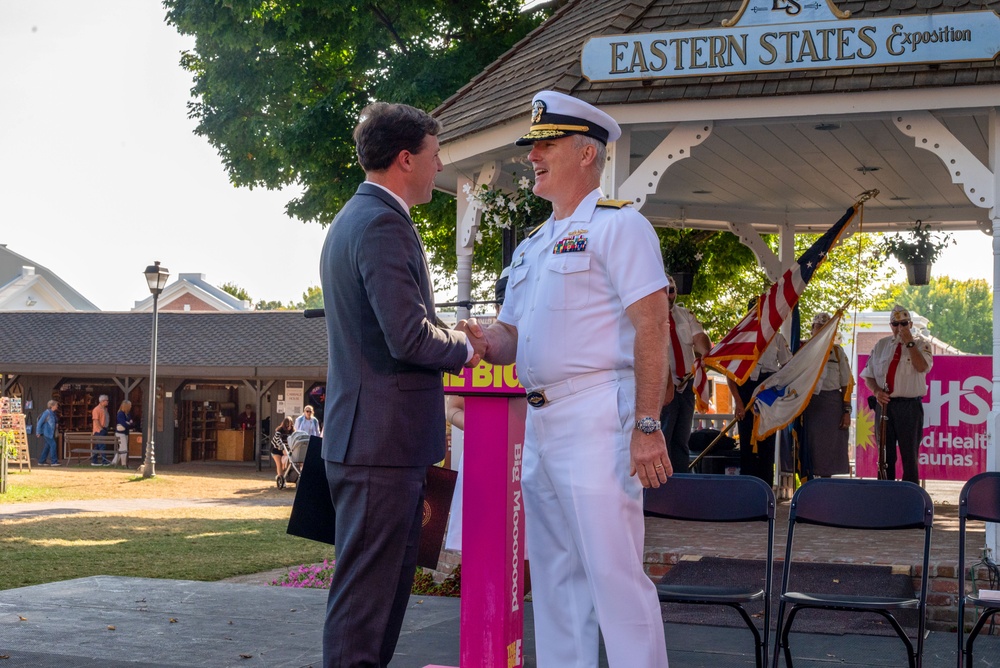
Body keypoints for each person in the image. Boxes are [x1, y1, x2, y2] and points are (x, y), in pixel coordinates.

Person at [477, 90, 671, 668]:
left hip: (597, 416)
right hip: (540, 422)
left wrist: (647, 425)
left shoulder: (621, 227)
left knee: (615, 578)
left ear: (587, 153)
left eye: (547, 144)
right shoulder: (533, 246)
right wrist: (478, 340)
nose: (532, 156)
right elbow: (510, 338)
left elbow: (653, 325)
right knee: (556, 582)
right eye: (532, 146)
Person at [318, 101, 484, 668]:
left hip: (374, 442)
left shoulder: (356, 218)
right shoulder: (382, 224)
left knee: (378, 598)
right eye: (435, 154)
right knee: (366, 605)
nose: (440, 166)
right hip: (380, 446)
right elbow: (408, 337)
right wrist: (465, 348)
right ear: (406, 159)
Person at [861, 305, 933, 483]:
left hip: (909, 406)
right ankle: (885, 493)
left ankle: (909, 494)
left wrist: (909, 343)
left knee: (910, 456)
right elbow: (868, 375)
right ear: (890, 325)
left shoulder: (921, 343)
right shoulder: (881, 345)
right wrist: (876, 391)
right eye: (895, 324)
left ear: (910, 324)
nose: (900, 328)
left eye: (904, 323)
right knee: (885, 456)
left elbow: (922, 367)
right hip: (885, 405)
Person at [728, 300, 792, 485]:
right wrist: (738, 402)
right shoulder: (740, 338)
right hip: (746, 389)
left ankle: (766, 488)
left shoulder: (777, 338)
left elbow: (788, 367)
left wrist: (778, 388)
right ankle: (748, 488)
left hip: (768, 389)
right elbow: (730, 374)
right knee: (747, 442)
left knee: (767, 442)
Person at [660, 274, 712, 474]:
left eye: (671, 290)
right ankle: (662, 484)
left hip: (686, 385)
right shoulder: (648, 316)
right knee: (663, 437)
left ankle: (681, 481)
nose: (668, 295)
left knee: (682, 440)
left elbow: (699, 338)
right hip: (663, 386)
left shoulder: (685, 314)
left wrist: (706, 352)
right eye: (664, 291)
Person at [800, 312, 853, 479]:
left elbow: (846, 383)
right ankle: (808, 486)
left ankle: (826, 485)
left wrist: (847, 411)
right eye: (819, 327)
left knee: (829, 449)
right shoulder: (802, 350)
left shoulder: (837, 352)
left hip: (831, 405)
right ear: (812, 329)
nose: (823, 330)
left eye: (827, 327)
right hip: (808, 404)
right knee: (808, 447)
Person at [35, 399, 60, 466]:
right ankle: (54, 462)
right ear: (52, 406)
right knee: (53, 445)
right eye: (56, 405)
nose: (57, 406)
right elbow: (40, 422)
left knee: (47, 446)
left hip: (50, 433)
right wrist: (38, 432)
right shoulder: (47, 413)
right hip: (47, 432)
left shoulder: (53, 413)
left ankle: (41, 461)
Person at [111, 400, 134, 468]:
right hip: (120, 433)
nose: (131, 406)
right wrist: (128, 423)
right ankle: (123, 464)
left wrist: (128, 423)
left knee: (121, 448)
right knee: (124, 449)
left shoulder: (127, 414)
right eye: (130, 405)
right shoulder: (120, 413)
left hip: (125, 433)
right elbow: (123, 423)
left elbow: (131, 423)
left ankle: (114, 462)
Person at [91, 394, 111, 466]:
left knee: (97, 446)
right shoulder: (96, 409)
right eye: (107, 400)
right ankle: (104, 461)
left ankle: (94, 461)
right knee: (102, 445)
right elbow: (96, 420)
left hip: (104, 428)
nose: (108, 402)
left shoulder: (105, 409)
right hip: (99, 431)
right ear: (102, 401)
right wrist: (101, 429)